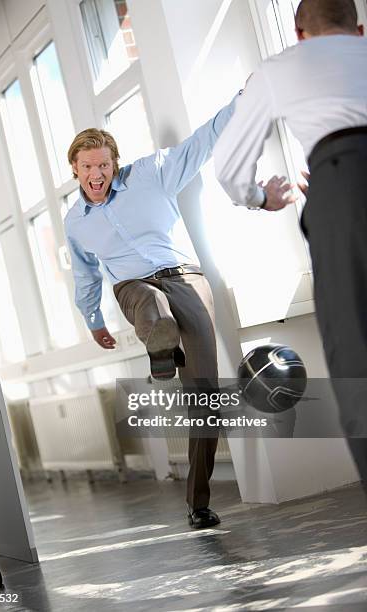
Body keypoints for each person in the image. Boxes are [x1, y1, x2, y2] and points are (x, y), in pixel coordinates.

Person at [64, 97, 289, 528]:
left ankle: (198, 504)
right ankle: (161, 339)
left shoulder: (152, 173)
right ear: (74, 168)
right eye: (88, 167)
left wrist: (245, 100)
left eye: (104, 166)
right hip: (133, 289)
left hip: (186, 279)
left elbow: (202, 141)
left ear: (115, 163)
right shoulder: (76, 222)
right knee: (150, 303)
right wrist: (93, 320)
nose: (97, 175)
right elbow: (85, 275)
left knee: (204, 398)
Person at [214, 0, 367, 488]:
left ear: (299, 33)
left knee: (357, 360)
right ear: (359, 29)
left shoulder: (279, 69)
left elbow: (228, 168)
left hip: (339, 194)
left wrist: (263, 196)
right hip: (339, 179)